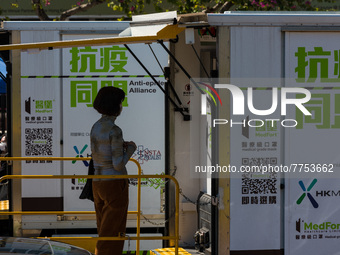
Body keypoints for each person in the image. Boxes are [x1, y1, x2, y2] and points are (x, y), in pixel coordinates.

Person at [90, 87, 136, 255]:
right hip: (115, 184)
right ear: (115, 105)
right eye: (120, 102)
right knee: (114, 230)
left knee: (104, 228)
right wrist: (131, 149)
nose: (121, 106)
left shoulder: (96, 126)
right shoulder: (115, 130)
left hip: (98, 183)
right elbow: (118, 164)